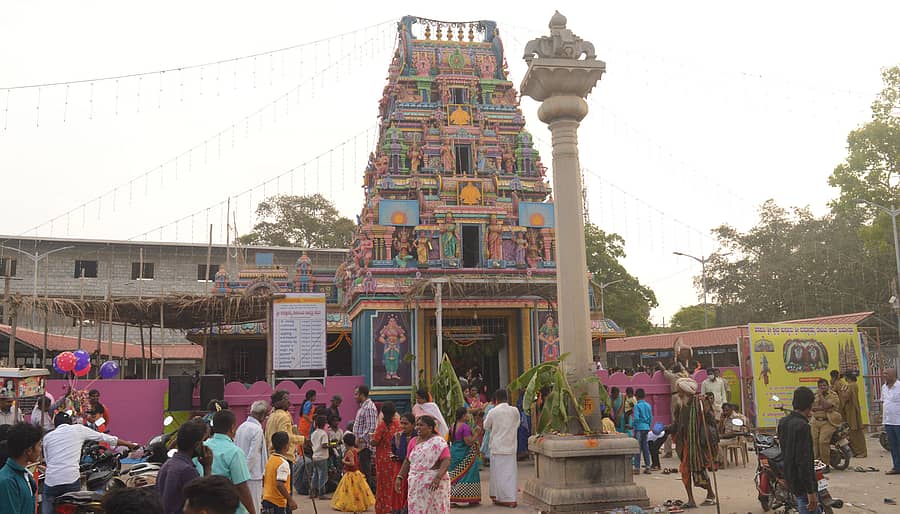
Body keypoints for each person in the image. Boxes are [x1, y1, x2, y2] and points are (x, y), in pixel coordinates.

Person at [42, 411, 139, 514]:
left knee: (48, 506)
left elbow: (48, 461)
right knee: (77, 508)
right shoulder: (78, 429)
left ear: (55, 424)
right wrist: (130, 444)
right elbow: (105, 438)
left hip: (51, 481)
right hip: (71, 480)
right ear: (71, 422)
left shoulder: (48, 437)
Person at [672, 378, 717, 508]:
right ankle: (692, 500)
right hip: (685, 443)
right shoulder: (679, 405)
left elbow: (711, 421)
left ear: (686, 392)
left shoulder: (699, 404)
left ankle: (710, 495)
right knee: (686, 471)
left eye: (680, 391)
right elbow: (677, 424)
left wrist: (707, 406)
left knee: (699, 471)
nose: (678, 393)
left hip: (697, 444)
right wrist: (665, 429)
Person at [395, 415, 451, 514]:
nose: (417, 428)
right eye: (417, 425)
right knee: (417, 509)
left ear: (430, 428)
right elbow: (407, 461)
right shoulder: (413, 441)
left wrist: (438, 477)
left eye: (421, 425)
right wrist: (399, 477)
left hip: (433, 484)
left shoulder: (438, 442)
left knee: (435, 509)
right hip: (416, 485)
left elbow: (446, 460)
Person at [204, 410, 257, 514]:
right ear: (232, 428)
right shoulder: (235, 452)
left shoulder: (204, 447)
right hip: (230, 508)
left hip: (207, 505)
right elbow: (241, 487)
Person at [157, 418, 214, 514]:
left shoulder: (167, 464)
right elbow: (204, 501)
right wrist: (207, 468)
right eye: (204, 441)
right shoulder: (187, 471)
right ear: (197, 445)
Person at [778, 386, 820, 514]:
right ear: (809, 405)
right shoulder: (803, 426)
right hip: (803, 483)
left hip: (791, 477)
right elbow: (804, 461)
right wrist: (811, 491)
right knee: (807, 506)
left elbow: (784, 452)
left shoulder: (783, 422)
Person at [483, 389, 519, 508]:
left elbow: (486, 426)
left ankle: (506, 499)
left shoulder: (493, 411)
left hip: (497, 446)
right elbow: (517, 424)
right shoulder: (515, 411)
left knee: (498, 474)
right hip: (511, 446)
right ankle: (506, 497)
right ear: (507, 398)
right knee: (509, 474)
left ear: (496, 400)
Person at [0, 422, 43, 514]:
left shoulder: (25, 475)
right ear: (29, 451)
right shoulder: (7, 481)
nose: (40, 449)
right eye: (39, 445)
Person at [235, 400, 269, 510]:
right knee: (254, 505)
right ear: (262, 415)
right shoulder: (257, 430)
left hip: (242, 472)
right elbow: (253, 455)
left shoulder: (241, 427)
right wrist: (245, 472)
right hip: (252, 475)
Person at [331, 432, 376, 512]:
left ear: (345, 443)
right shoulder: (355, 450)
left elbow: (352, 463)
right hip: (356, 473)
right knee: (358, 490)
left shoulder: (349, 452)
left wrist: (343, 461)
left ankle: (349, 504)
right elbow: (359, 451)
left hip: (350, 474)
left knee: (349, 490)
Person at [448, 407, 482, 506]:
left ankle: (453, 498)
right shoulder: (464, 427)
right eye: (467, 414)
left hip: (454, 452)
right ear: (463, 416)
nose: (468, 415)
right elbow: (469, 442)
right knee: (469, 473)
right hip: (464, 454)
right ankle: (470, 498)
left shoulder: (452, 425)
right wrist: (476, 434)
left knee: (454, 476)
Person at [373, 402, 402, 514]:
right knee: (393, 482)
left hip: (383, 458)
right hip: (394, 457)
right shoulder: (398, 424)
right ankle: (394, 506)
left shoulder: (382, 425)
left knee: (383, 484)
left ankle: (384, 508)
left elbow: (375, 441)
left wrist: (370, 440)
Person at [262, 431, 298, 514]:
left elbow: (264, 478)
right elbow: (279, 484)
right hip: (278, 503)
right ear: (286, 446)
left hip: (267, 499)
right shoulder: (283, 463)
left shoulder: (270, 459)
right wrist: (290, 499)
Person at [266, 390, 305, 464]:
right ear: (279, 402)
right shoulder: (283, 417)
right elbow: (284, 437)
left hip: (273, 456)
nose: (289, 402)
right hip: (285, 456)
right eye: (286, 399)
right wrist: (302, 439)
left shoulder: (271, 416)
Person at [811, 378, 842, 469]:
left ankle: (826, 464)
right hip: (816, 421)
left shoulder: (833, 395)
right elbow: (813, 407)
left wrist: (821, 397)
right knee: (814, 442)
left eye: (824, 385)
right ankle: (817, 463)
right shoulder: (815, 395)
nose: (822, 387)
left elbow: (827, 405)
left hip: (829, 421)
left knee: (823, 442)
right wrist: (822, 407)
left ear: (828, 386)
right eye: (820, 386)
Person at [353, 385, 378, 490]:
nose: (354, 397)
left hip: (365, 447)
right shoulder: (363, 407)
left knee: (365, 472)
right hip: (360, 446)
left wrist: (360, 439)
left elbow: (371, 428)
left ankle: (367, 495)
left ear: (362, 395)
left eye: (356, 394)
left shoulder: (369, 407)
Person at [391, 412, 416, 514]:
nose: (402, 426)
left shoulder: (417, 437)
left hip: (414, 468)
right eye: (401, 423)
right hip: (401, 467)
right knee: (400, 489)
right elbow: (397, 453)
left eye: (406, 424)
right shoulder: (398, 436)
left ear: (413, 425)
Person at [839, 373, 867, 458]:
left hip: (851, 411)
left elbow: (846, 397)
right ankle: (857, 451)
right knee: (853, 432)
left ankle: (860, 452)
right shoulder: (854, 385)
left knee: (854, 432)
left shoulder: (850, 386)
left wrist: (842, 391)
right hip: (852, 411)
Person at [883, 368, 900, 475]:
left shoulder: (899, 386)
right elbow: (884, 402)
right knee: (893, 446)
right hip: (888, 422)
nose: (884, 375)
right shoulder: (883, 387)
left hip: (899, 422)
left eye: (886, 373)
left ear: (893, 375)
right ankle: (897, 467)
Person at [310, 414, 331, 500]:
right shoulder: (323, 434)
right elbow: (324, 445)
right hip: (322, 457)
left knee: (315, 475)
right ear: (324, 424)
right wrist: (331, 446)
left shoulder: (314, 433)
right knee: (323, 476)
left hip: (315, 456)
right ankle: (321, 494)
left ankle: (312, 492)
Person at [632, 388, 653, 474]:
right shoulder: (648, 405)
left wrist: (633, 425)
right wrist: (648, 425)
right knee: (645, 448)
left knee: (638, 448)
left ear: (636, 396)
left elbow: (636, 418)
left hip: (639, 428)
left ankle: (637, 467)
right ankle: (648, 466)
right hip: (646, 428)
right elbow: (651, 418)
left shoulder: (637, 406)